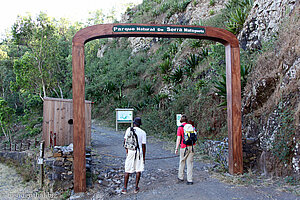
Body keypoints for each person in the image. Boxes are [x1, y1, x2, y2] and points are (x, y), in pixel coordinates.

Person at [122, 117, 147, 194]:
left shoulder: (128, 129)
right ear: (140, 124)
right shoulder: (143, 132)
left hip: (130, 151)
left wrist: (127, 152)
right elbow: (143, 146)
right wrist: (143, 157)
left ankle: (125, 188)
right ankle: (136, 187)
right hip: (138, 152)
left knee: (127, 170)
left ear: (134, 123)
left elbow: (125, 142)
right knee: (138, 169)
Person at [175, 114, 195, 185]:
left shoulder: (180, 128)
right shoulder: (191, 126)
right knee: (190, 163)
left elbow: (178, 138)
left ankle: (181, 177)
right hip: (192, 146)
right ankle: (190, 180)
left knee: (182, 161)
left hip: (184, 146)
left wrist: (176, 148)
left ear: (181, 120)